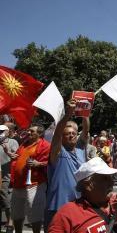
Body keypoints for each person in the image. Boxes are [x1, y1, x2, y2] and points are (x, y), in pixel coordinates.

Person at [49, 157, 117, 232]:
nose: (111, 182)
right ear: (88, 185)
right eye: (105, 178)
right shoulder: (68, 213)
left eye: (111, 177)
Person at [45, 98, 89, 228]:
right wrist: (68, 114)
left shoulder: (81, 150)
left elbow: (86, 131)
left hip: (79, 205)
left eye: (74, 133)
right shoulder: (58, 152)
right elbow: (57, 133)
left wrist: (85, 112)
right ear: (62, 138)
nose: (71, 135)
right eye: (67, 134)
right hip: (57, 206)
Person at [10, 125, 50, 233]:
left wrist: (39, 163)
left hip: (34, 185)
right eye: (28, 130)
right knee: (17, 214)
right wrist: (14, 156)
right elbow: (18, 157)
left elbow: (51, 162)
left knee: (35, 215)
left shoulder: (45, 145)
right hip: (18, 184)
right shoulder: (25, 143)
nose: (28, 132)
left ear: (39, 134)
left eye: (32, 131)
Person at [0, 124, 19, 233]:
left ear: (8, 132)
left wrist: (7, 151)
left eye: (2, 131)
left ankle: (10, 223)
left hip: (6, 176)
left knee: (7, 201)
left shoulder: (12, 142)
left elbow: (16, 157)